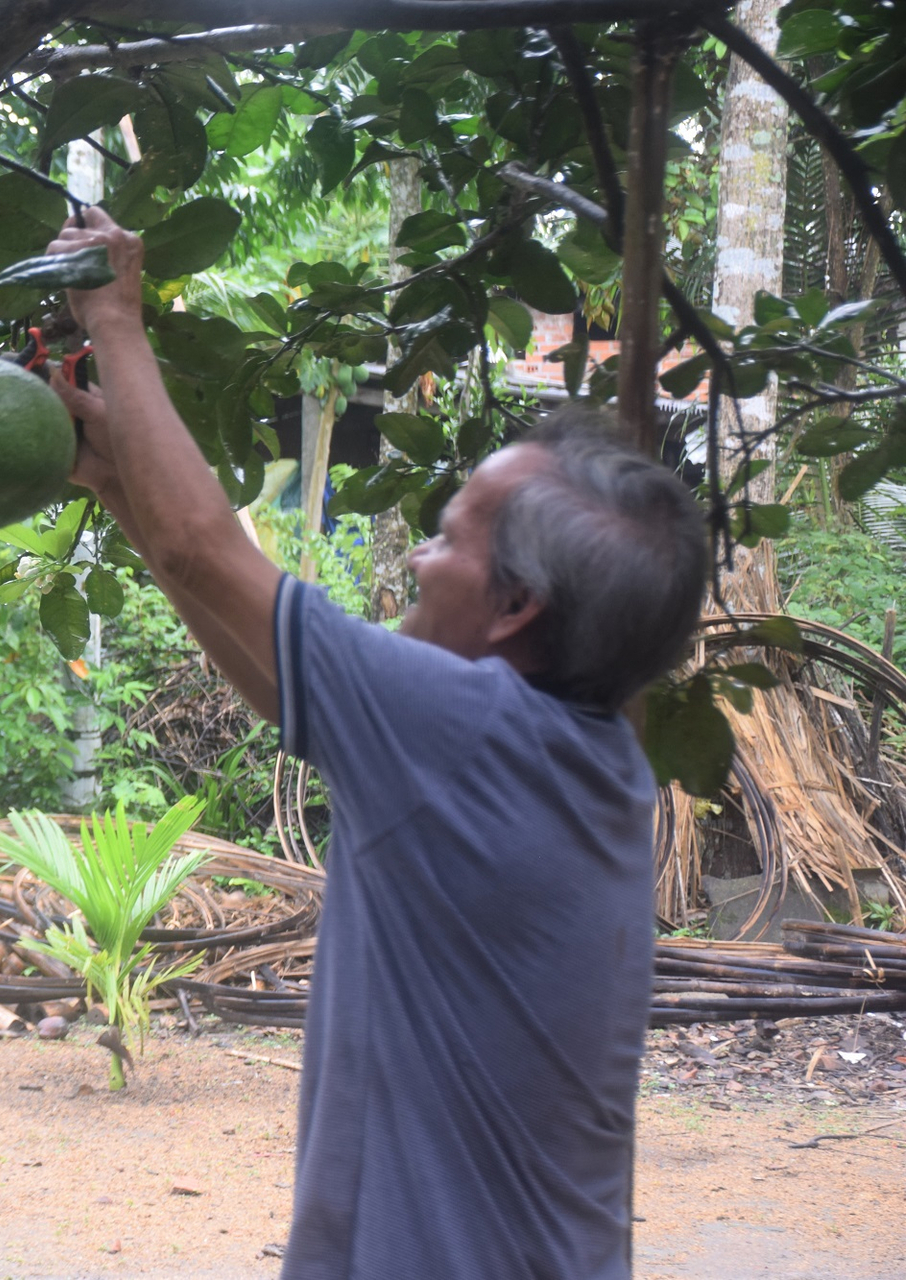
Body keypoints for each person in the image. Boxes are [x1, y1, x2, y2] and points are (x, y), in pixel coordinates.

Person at [44, 207, 704, 1279]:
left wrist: (114, 312)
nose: (419, 557)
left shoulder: (469, 729)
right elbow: (267, 669)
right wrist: (117, 479)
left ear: (514, 606)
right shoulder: (574, 757)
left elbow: (206, 551)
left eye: (446, 535)